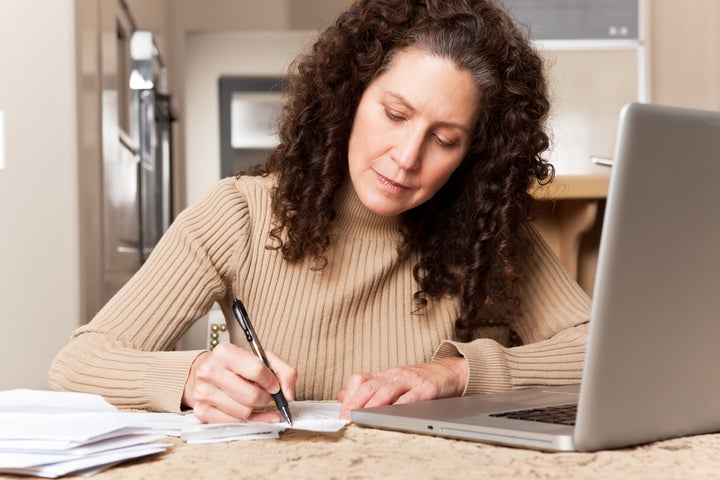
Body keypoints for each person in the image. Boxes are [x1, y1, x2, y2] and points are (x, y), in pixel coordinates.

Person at [49, 0, 590, 424]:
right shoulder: (240, 214)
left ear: (473, 154)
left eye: (444, 139)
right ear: (350, 96)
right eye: (395, 114)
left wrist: (459, 373)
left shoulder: (485, 233)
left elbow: (602, 352)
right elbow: (76, 364)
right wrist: (191, 376)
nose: (406, 158)